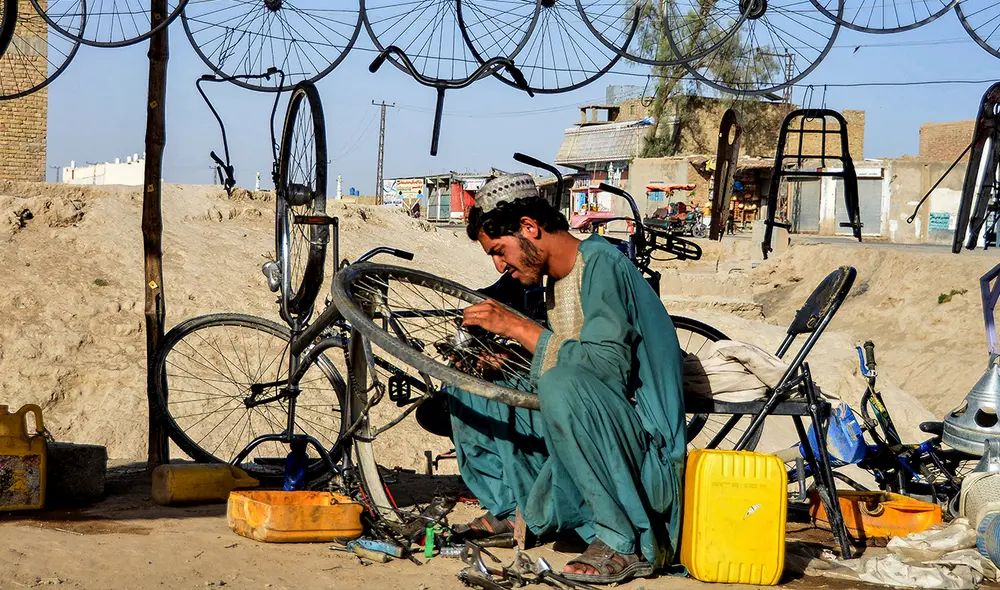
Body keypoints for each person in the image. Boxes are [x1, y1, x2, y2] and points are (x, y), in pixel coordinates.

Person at [448, 173, 686, 585]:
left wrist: (518, 328)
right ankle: (511, 509)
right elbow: (568, 357)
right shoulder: (557, 279)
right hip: (597, 420)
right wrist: (509, 359)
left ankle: (622, 541)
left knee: (560, 384)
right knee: (472, 382)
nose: (500, 266)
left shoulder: (601, 264)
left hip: (644, 446)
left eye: (500, 251)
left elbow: (605, 371)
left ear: (529, 227)